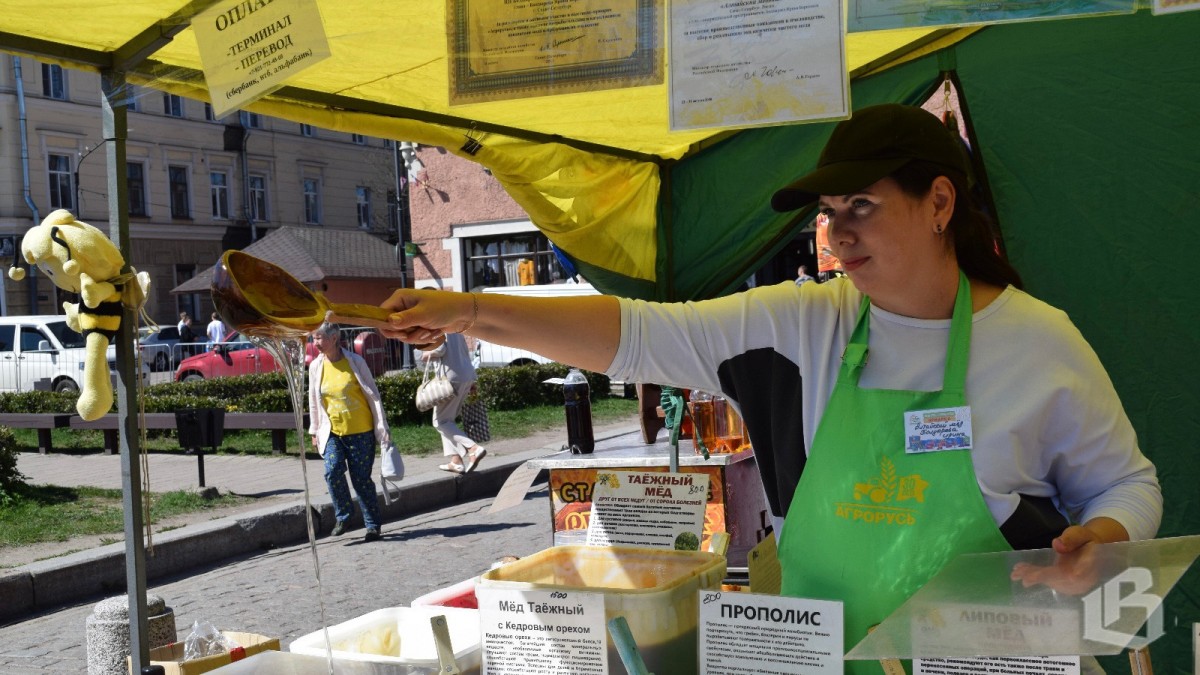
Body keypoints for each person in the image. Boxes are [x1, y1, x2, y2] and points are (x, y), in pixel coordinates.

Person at [376, 104, 1161, 670]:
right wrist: (471, 309)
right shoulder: (802, 324)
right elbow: (641, 332)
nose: (839, 232)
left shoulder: (1039, 339)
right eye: (828, 213)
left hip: (993, 662)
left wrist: (1108, 538)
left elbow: (1126, 483)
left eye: (862, 206)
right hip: (822, 661)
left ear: (940, 204)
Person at [307, 322, 393, 542]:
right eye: (313, 338)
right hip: (332, 431)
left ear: (334, 338)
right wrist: (314, 431)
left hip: (360, 431)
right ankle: (344, 515)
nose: (315, 343)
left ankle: (373, 526)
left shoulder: (355, 362)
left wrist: (381, 426)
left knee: (361, 479)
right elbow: (314, 401)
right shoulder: (316, 366)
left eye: (319, 338)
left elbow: (373, 395)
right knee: (332, 470)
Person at [417, 329, 486, 474]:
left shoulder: (435, 326)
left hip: (450, 378)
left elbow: (439, 349)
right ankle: (456, 461)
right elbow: (465, 352)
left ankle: (473, 448)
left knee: (440, 422)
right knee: (447, 421)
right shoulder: (453, 326)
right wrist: (472, 381)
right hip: (465, 374)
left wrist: (423, 354)